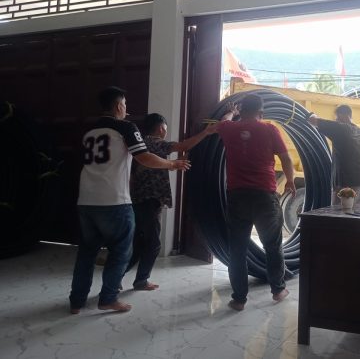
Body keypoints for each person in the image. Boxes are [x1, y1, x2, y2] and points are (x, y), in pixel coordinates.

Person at [69, 86, 190, 314]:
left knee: (86, 253)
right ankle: (108, 298)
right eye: (125, 105)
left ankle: (76, 301)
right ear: (118, 106)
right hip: (114, 200)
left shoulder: (89, 131)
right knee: (121, 251)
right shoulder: (125, 127)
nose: (126, 109)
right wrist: (172, 164)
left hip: (85, 200)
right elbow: (144, 157)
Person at [212, 94, 295, 311]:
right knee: (272, 246)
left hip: (237, 196)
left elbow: (222, 122)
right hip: (264, 196)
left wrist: (231, 113)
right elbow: (286, 158)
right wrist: (290, 181)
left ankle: (239, 299)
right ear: (261, 111)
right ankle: (278, 290)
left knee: (237, 249)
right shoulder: (270, 129)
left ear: (242, 110)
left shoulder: (229, 128)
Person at [124, 113, 214, 291]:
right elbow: (183, 146)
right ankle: (140, 280)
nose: (166, 131)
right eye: (165, 128)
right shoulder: (156, 142)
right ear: (160, 128)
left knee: (140, 243)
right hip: (150, 199)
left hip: (137, 199)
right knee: (153, 244)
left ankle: (119, 277)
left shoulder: (139, 143)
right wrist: (206, 132)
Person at [308, 105, 360, 205]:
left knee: (341, 213)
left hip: (349, 183)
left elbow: (313, 120)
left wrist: (311, 114)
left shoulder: (340, 128)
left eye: (336, 118)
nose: (336, 121)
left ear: (342, 116)